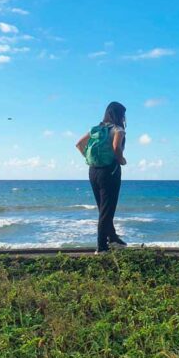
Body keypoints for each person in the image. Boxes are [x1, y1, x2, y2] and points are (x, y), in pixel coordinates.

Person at [76, 101, 129, 253]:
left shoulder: (96, 129)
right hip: (110, 171)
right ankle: (102, 247)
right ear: (119, 115)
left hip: (93, 171)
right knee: (107, 210)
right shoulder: (118, 129)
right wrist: (122, 160)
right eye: (123, 114)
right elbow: (116, 148)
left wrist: (90, 158)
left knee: (103, 208)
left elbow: (79, 144)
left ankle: (112, 237)